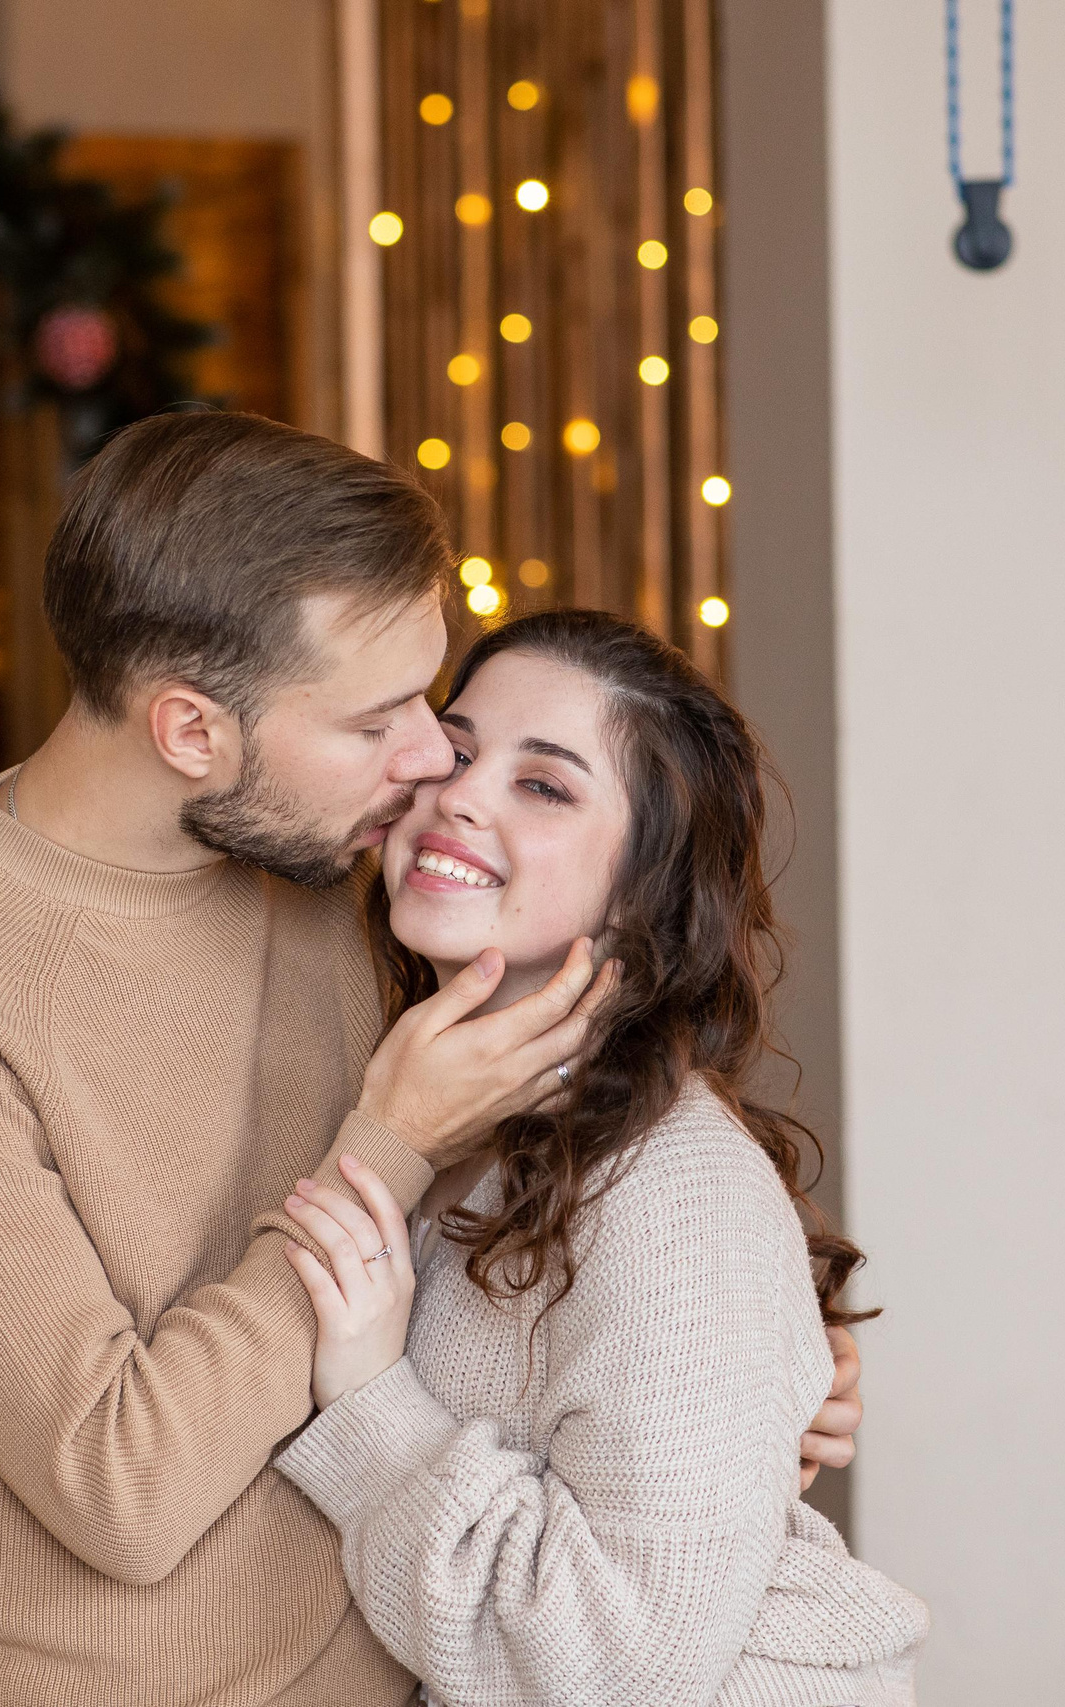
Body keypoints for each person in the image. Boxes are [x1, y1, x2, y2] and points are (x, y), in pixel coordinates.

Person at [0, 411, 860, 1705]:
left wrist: (746, 1368)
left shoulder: (331, 872)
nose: (430, 757)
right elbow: (123, 1488)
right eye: (377, 719)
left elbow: (533, 1251)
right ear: (192, 730)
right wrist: (382, 1143)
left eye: (431, 694)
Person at [272, 611, 926, 1706]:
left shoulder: (674, 1194)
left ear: (644, 886)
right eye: (462, 748)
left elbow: (623, 1667)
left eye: (547, 785)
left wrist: (369, 1402)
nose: (462, 794)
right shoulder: (433, 1116)